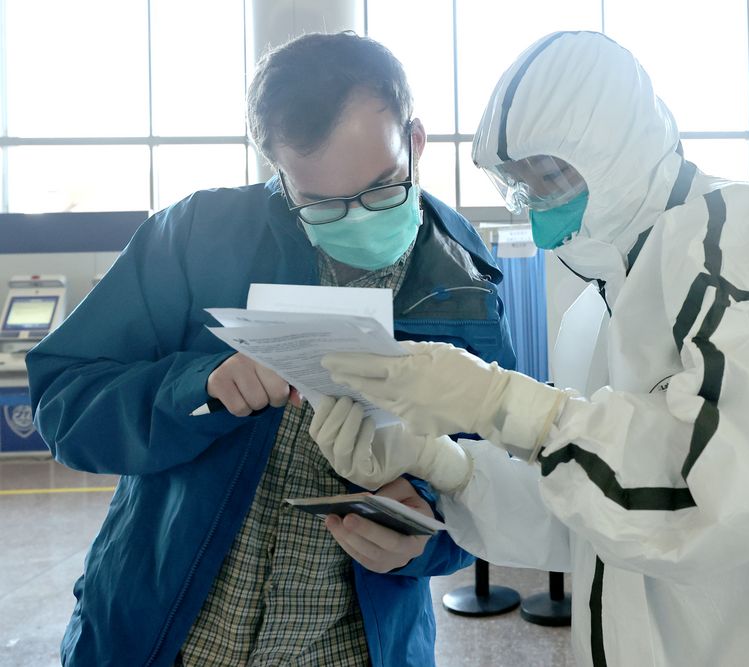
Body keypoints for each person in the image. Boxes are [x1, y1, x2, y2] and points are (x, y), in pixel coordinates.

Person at [312, 30, 749, 666]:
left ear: (619, 144)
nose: (538, 203)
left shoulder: (746, 246)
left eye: (552, 174)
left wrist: (503, 403)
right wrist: (450, 467)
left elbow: (718, 496)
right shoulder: (605, 308)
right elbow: (602, 517)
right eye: (522, 184)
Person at [26, 32, 515, 667]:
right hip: (166, 637)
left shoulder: (460, 280)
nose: (359, 217)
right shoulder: (196, 236)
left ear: (415, 140)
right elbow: (66, 400)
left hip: (351, 649)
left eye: (384, 187)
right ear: (277, 169)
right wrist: (198, 389)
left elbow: (502, 474)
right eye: (322, 204)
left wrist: (425, 545)